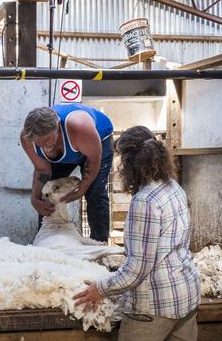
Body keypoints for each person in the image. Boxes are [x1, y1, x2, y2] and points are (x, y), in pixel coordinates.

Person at [73, 126, 201, 341]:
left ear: (130, 161)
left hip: (154, 306)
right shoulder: (173, 187)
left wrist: (101, 289)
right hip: (185, 295)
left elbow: (137, 269)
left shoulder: (145, 201)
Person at [20, 104, 114, 242]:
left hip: (97, 142)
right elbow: (42, 170)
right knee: (48, 194)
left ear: (57, 127)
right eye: (39, 143)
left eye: (47, 140)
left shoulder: (79, 126)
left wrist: (80, 191)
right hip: (72, 146)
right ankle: (48, 240)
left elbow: (93, 161)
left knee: (95, 192)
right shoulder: (27, 138)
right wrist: (34, 199)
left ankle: (100, 244)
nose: (44, 147)